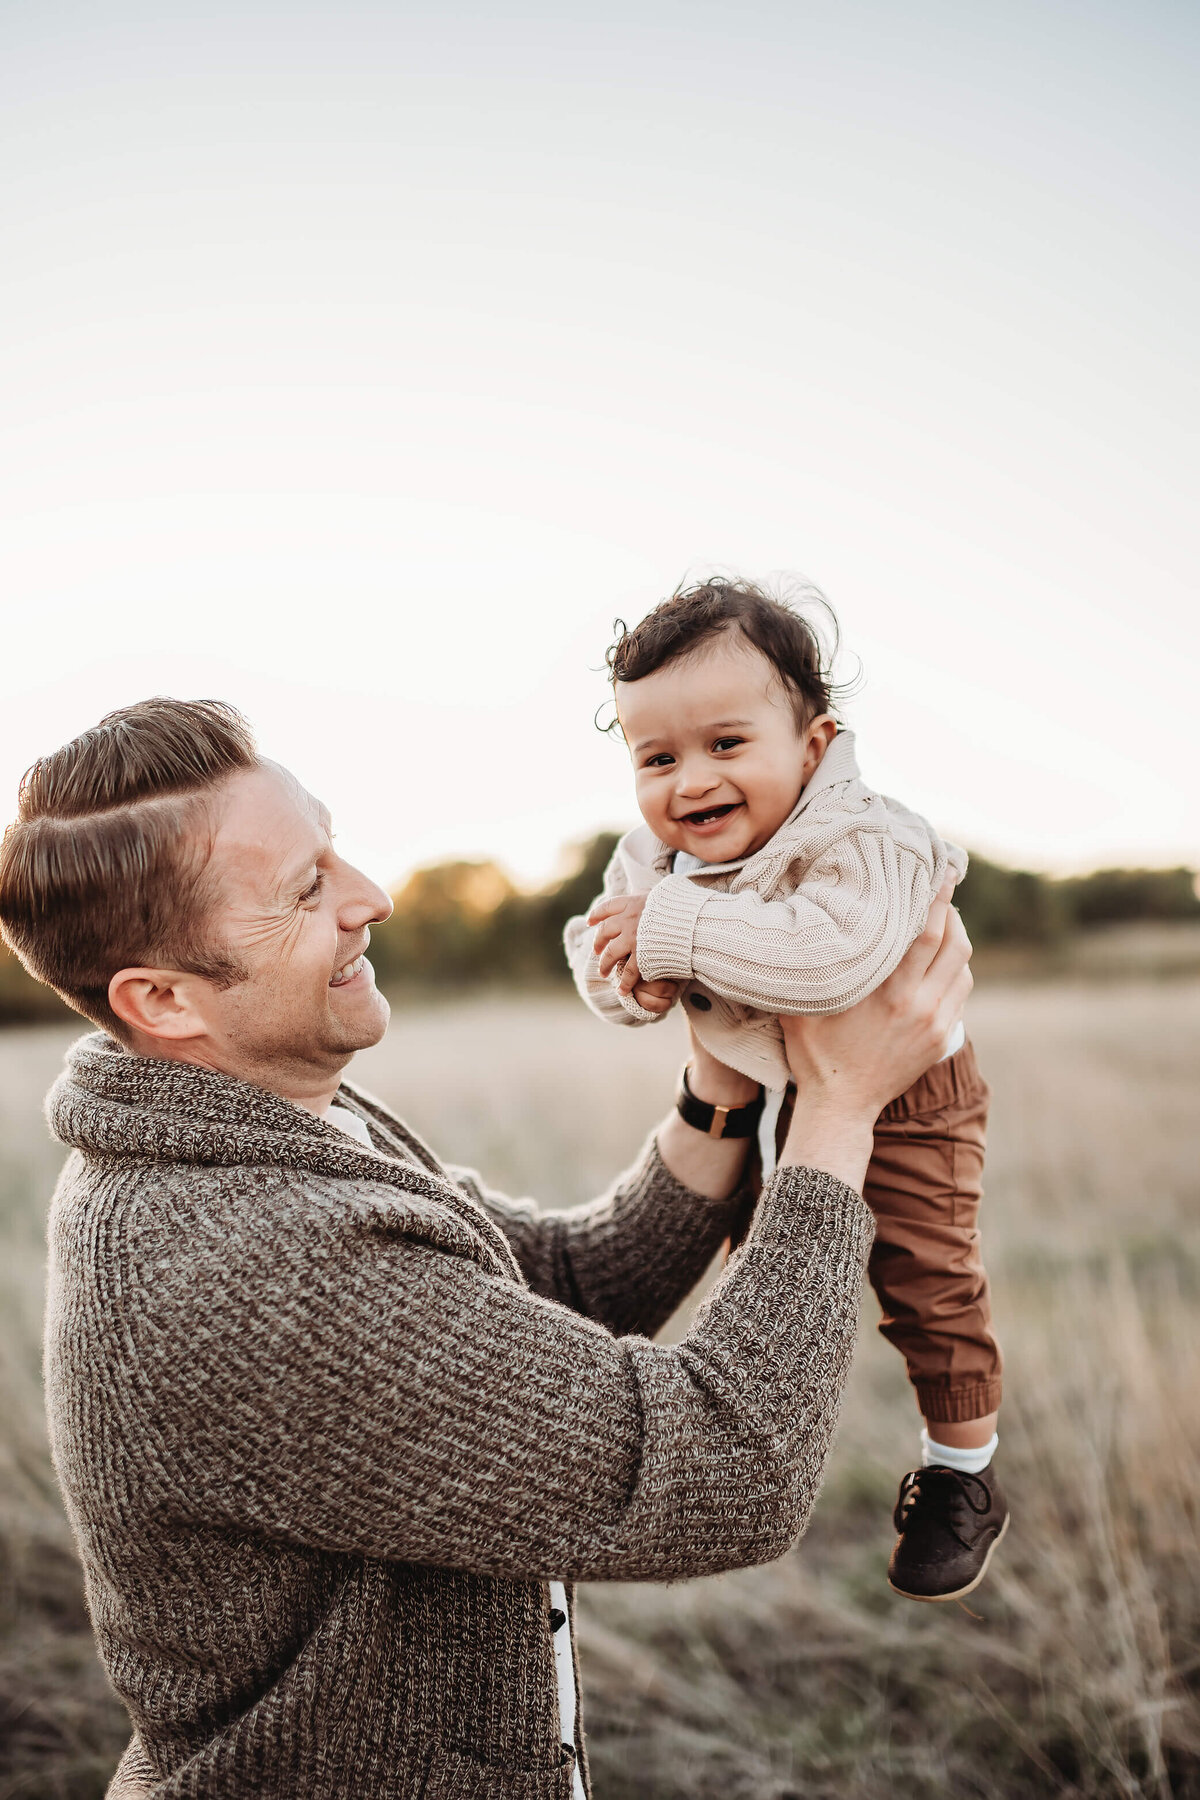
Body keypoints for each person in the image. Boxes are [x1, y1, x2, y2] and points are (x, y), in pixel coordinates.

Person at [1, 697, 972, 1800]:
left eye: (332, 847)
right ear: (165, 1000)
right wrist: (841, 1109)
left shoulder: (258, 1134)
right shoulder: (245, 1258)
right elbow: (730, 1467)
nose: (371, 897)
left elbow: (546, 1292)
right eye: (304, 891)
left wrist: (721, 1081)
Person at [564, 578, 1007, 1602]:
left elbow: (832, 960)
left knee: (923, 1269)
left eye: (727, 745)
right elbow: (607, 947)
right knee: (768, 1265)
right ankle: (756, 1420)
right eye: (656, 758)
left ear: (813, 747)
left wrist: (670, 932)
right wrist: (627, 976)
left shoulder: (866, 839)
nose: (690, 781)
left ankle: (963, 1473)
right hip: (780, 1097)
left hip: (904, 1091)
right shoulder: (656, 857)